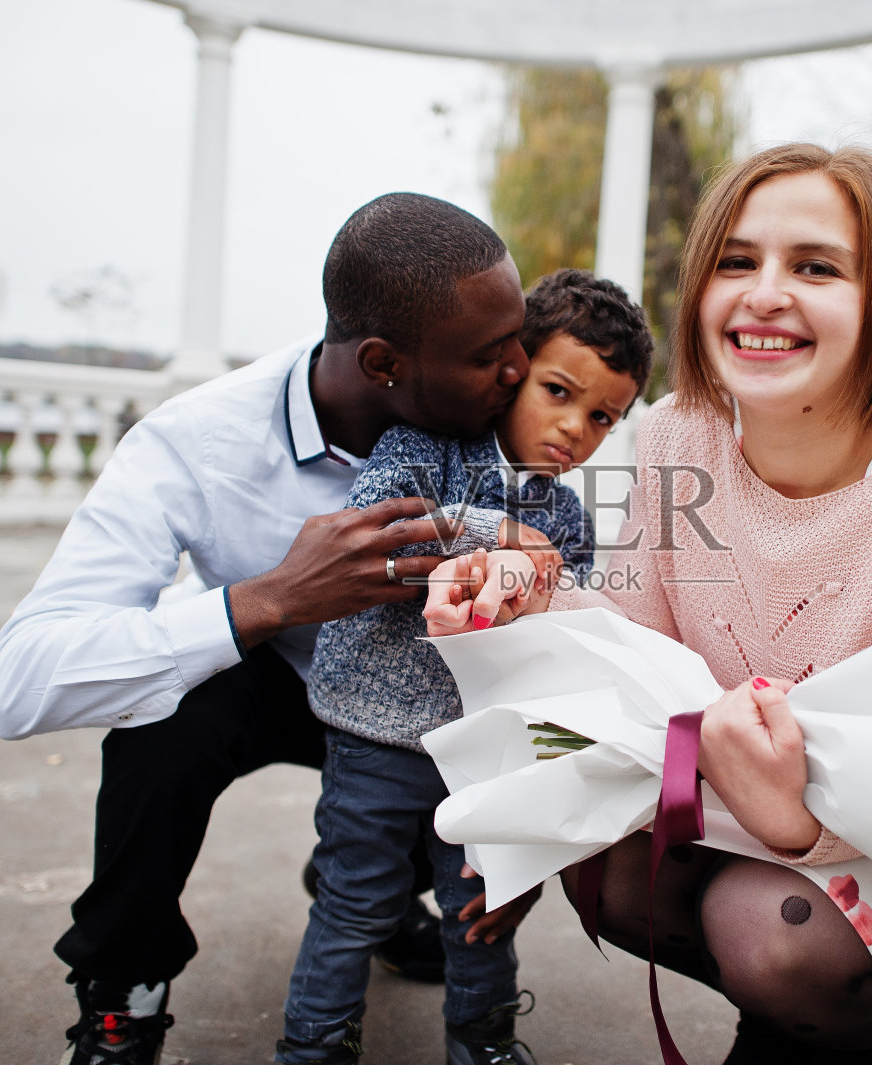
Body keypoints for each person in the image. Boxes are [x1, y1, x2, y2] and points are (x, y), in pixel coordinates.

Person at [424, 143, 872, 1065]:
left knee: (771, 932)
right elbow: (635, 642)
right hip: (728, 801)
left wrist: (797, 822)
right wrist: (528, 591)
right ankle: (794, 1022)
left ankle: (847, 1026)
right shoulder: (678, 433)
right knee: (601, 865)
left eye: (816, 267)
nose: (764, 293)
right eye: (737, 260)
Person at [0, 192, 537, 1065]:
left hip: (437, 707)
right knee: (160, 718)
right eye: (487, 356)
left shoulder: (513, 421)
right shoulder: (198, 441)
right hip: (285, 678)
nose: (518, 372)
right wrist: (271, 599)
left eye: (521, 341)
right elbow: (17, 685)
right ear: (384, 360)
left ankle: (378, 887)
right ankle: (123, 995)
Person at [279, 268, 652, 1065]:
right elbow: (378, 535)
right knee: (356, 904)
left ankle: (483, 1044)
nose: (574, 428)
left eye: (602, 417)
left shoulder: (567, 516)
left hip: (483, 755)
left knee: (486, 906)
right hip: (372, 737)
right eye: (558, 391)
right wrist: (501, 535)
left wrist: (542, 781)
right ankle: (313, 1046)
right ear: (513, 367)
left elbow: (561, 657)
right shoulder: (421, 447)